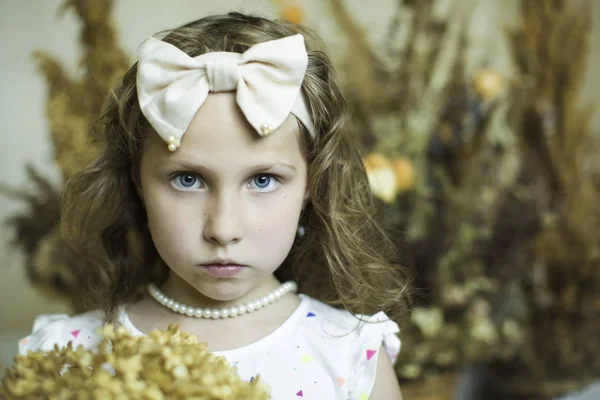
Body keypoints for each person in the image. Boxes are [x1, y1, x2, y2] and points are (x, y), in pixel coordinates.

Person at [19, 12, 410, 399]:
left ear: (313, 183)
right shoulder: (66, 357)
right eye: (187, 180)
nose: (223, 229)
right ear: (137, 182)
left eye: (263, 180)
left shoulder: (350, 355)